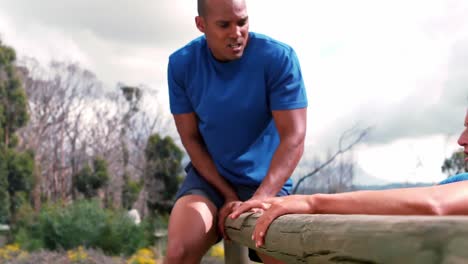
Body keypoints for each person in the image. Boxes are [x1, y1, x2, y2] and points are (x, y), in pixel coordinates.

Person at [165, 0, 307, 263]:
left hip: (265, 184)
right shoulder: (181, 64)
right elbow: (191, 139)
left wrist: (261, 197)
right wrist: (227, 194)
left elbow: (294, 139)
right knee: (178, 253)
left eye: (242, 22)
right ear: (201, 25)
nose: (236, 32)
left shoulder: (278, 58)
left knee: (280, 255)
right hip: (210, 181)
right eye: (224, 25)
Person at [230, 110, 468, 248]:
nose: (461, 139)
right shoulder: (457, 182)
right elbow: (411, 204)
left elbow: (435, 203)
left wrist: (313, 203)